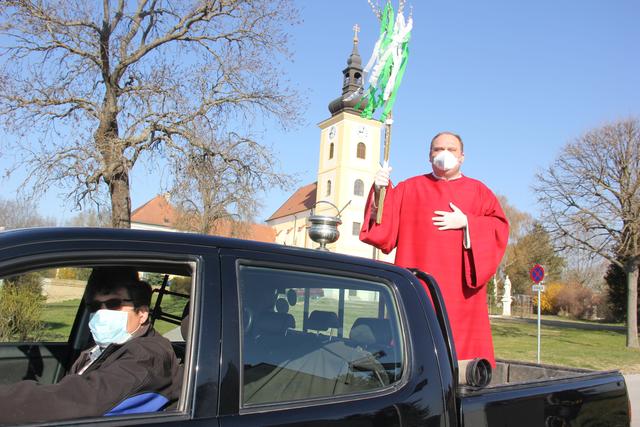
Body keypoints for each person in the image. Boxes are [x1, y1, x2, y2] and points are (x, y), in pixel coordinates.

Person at [360, 131, 509, 366]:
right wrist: (380, 193)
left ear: (462, 157)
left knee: (460, 358)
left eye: (451, 149)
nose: (444, 154)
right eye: (438, 149)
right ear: (429, 156)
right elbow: (382, 232)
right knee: (416, 353)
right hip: (418, 290)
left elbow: (500, 229)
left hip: (461, 296)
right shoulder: (409, 188)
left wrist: (469, 223)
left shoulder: (479, 192)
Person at [0, 268, 182, 424]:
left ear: (142, 314)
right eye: (95, 306)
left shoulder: (148, 355)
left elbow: (81, 400)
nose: (102, 313)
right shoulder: (105, 346)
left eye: (113, 304)